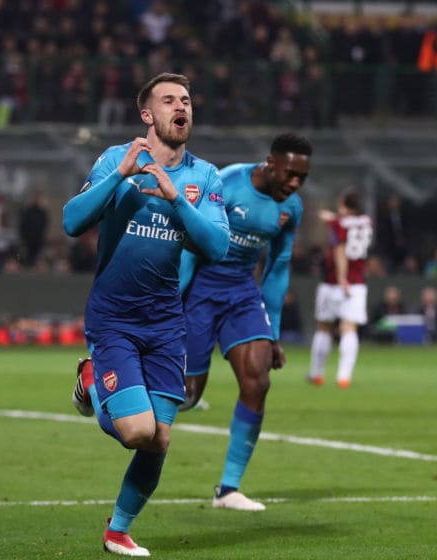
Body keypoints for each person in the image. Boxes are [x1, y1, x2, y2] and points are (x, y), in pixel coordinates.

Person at [64, 72, 229, 557]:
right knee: (136, 431)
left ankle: (117, 530)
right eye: (170, 100)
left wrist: (176, 200)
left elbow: (216, 248)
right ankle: (92, 379)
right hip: (114, 317)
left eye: (187, 99)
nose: (182, 107)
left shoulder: (204, 176)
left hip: (165, 323)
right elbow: (72, 222)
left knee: (158, 440)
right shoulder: (118, 159)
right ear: (147, 115)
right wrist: (120, 177)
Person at [178, 132, 313, 511]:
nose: (294, 183)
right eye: (289, 174)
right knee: (186, 395)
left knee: (258, 380)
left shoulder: (292, 209)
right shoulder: (227, 182)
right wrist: (173, 301)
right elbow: (190, 242)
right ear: (271, 163)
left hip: (241, 291)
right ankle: (101, 395)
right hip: (201, 288)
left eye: (302, 177)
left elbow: (278, 266)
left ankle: (228, 489)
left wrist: (272, 334)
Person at [307, 188, 374, 387]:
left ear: (343, 203)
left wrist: (341, 277)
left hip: (334, 282)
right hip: (358, 283)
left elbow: (340, 248)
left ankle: (316, 373)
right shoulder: (367, 222)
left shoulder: (339, 224)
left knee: (324, 326)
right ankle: (344, 376)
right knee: (349, 328)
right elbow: (346, 223)